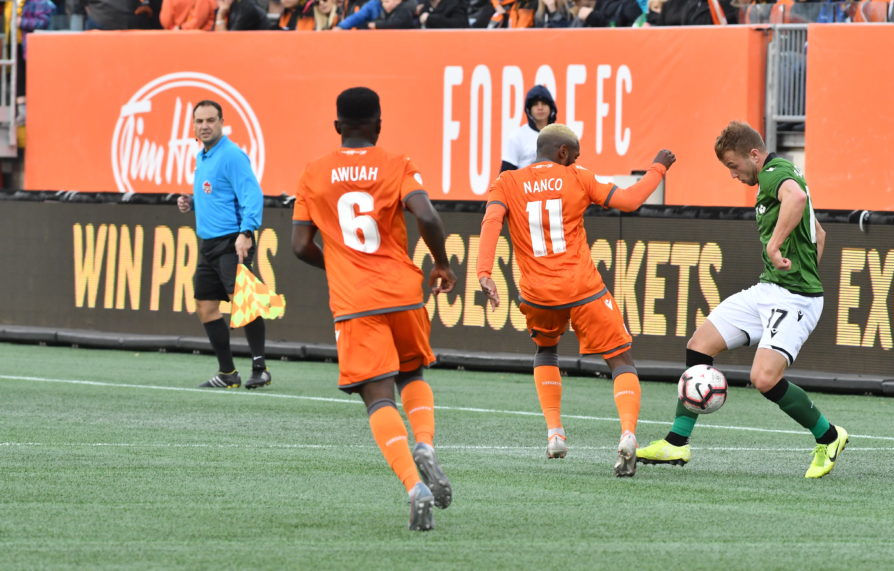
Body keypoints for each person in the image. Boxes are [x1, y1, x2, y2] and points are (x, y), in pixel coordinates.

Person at [636, 121, 848, 480]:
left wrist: (774, 246)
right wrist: (798, 264)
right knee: (699, 346)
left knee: (764, 379)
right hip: (769, 290)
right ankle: (677, 442)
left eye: (733, 166)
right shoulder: (777, 176)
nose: (732, 175)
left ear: (754, 155)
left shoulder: (773, 173)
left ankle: (828, 437)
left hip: (795, 299)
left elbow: (795, 198)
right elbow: (820, 234)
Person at [291, 87, 456, 531]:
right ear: (378, 125)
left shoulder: (313, 173)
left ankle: (412, 485)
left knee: (377, 397)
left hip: (355, 301)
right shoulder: (397, 163)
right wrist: (439, 264)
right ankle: (426, 444)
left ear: (337, 127)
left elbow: (300, 245)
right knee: (413, 375)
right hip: (403, 291)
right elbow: (430, 218)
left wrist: (340, 262)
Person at [476, 124, 676, 477]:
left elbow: (491, 221)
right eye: (576, 155)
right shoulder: (577, 176)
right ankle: (628, 433)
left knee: (546, 351)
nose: (577, 161)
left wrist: (484, 272)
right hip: (584, 289)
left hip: (538, 294)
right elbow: (630, 201)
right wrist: (658, 167)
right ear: (564, 153)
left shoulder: (505, 182)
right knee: (621, 360)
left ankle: (555, 433)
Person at [176, 100, 271, 391]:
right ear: (193, 125)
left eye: (210, 120)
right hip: (208, 244)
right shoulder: (202, 157)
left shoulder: (231, 155)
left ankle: (260, 368)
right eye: (199, 121)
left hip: (232, 241)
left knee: (244, 304)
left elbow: (252, 195)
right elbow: (217, 195)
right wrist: (191, 203)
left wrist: (247, 232)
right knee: (206, 306)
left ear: (221, 122)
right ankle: (228, 373)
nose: (204, 126)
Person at [501, 84, 557, 171]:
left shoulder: (560, 136)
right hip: (524, 184)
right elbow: (504, 176)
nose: (540, 108)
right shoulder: (517, 137)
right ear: (528, 109)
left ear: (551, 108)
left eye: (544, 103)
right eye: (535, 104)